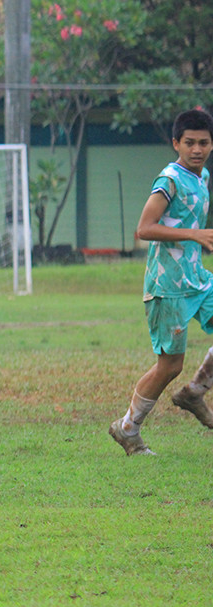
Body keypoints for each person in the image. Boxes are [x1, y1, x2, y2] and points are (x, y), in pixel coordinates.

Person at [109, 108, 213, 456]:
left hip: (197, 279)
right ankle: (127, 428)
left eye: (203, 143)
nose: (196, 150)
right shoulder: (169, 180)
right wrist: (194, 235)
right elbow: (144, 229)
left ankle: (195, 391)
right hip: (167, 286)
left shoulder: (203, 177)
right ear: (175, 144)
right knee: (170, 365)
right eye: (189, 143)